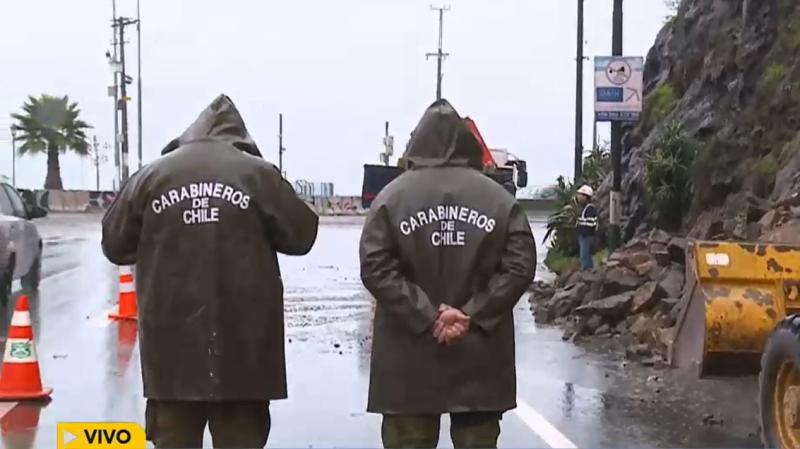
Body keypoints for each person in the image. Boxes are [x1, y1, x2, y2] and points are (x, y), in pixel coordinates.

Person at [101, 94, 319, 448]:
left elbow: (114, 244)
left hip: (170, 358)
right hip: (245, 356)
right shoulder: (258, 175)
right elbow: (302, 235)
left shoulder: (151, 176)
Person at [359, 99, 536, 449]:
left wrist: (427, 314)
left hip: (406, 364)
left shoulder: (391, 199)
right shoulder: (500, 200)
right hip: (480, 361)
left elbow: (375, 266)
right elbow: (520, 266)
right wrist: (472, 313)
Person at [576, 185, 598, 270]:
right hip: (583, 236)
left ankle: (588, 271)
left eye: (580, 195)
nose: (578, 197)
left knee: (585, 256)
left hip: (587, 237)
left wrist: (583, 233)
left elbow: (590, 224)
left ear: (585, 197)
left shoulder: (590, 209)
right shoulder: (584, 208)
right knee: (584, 256)